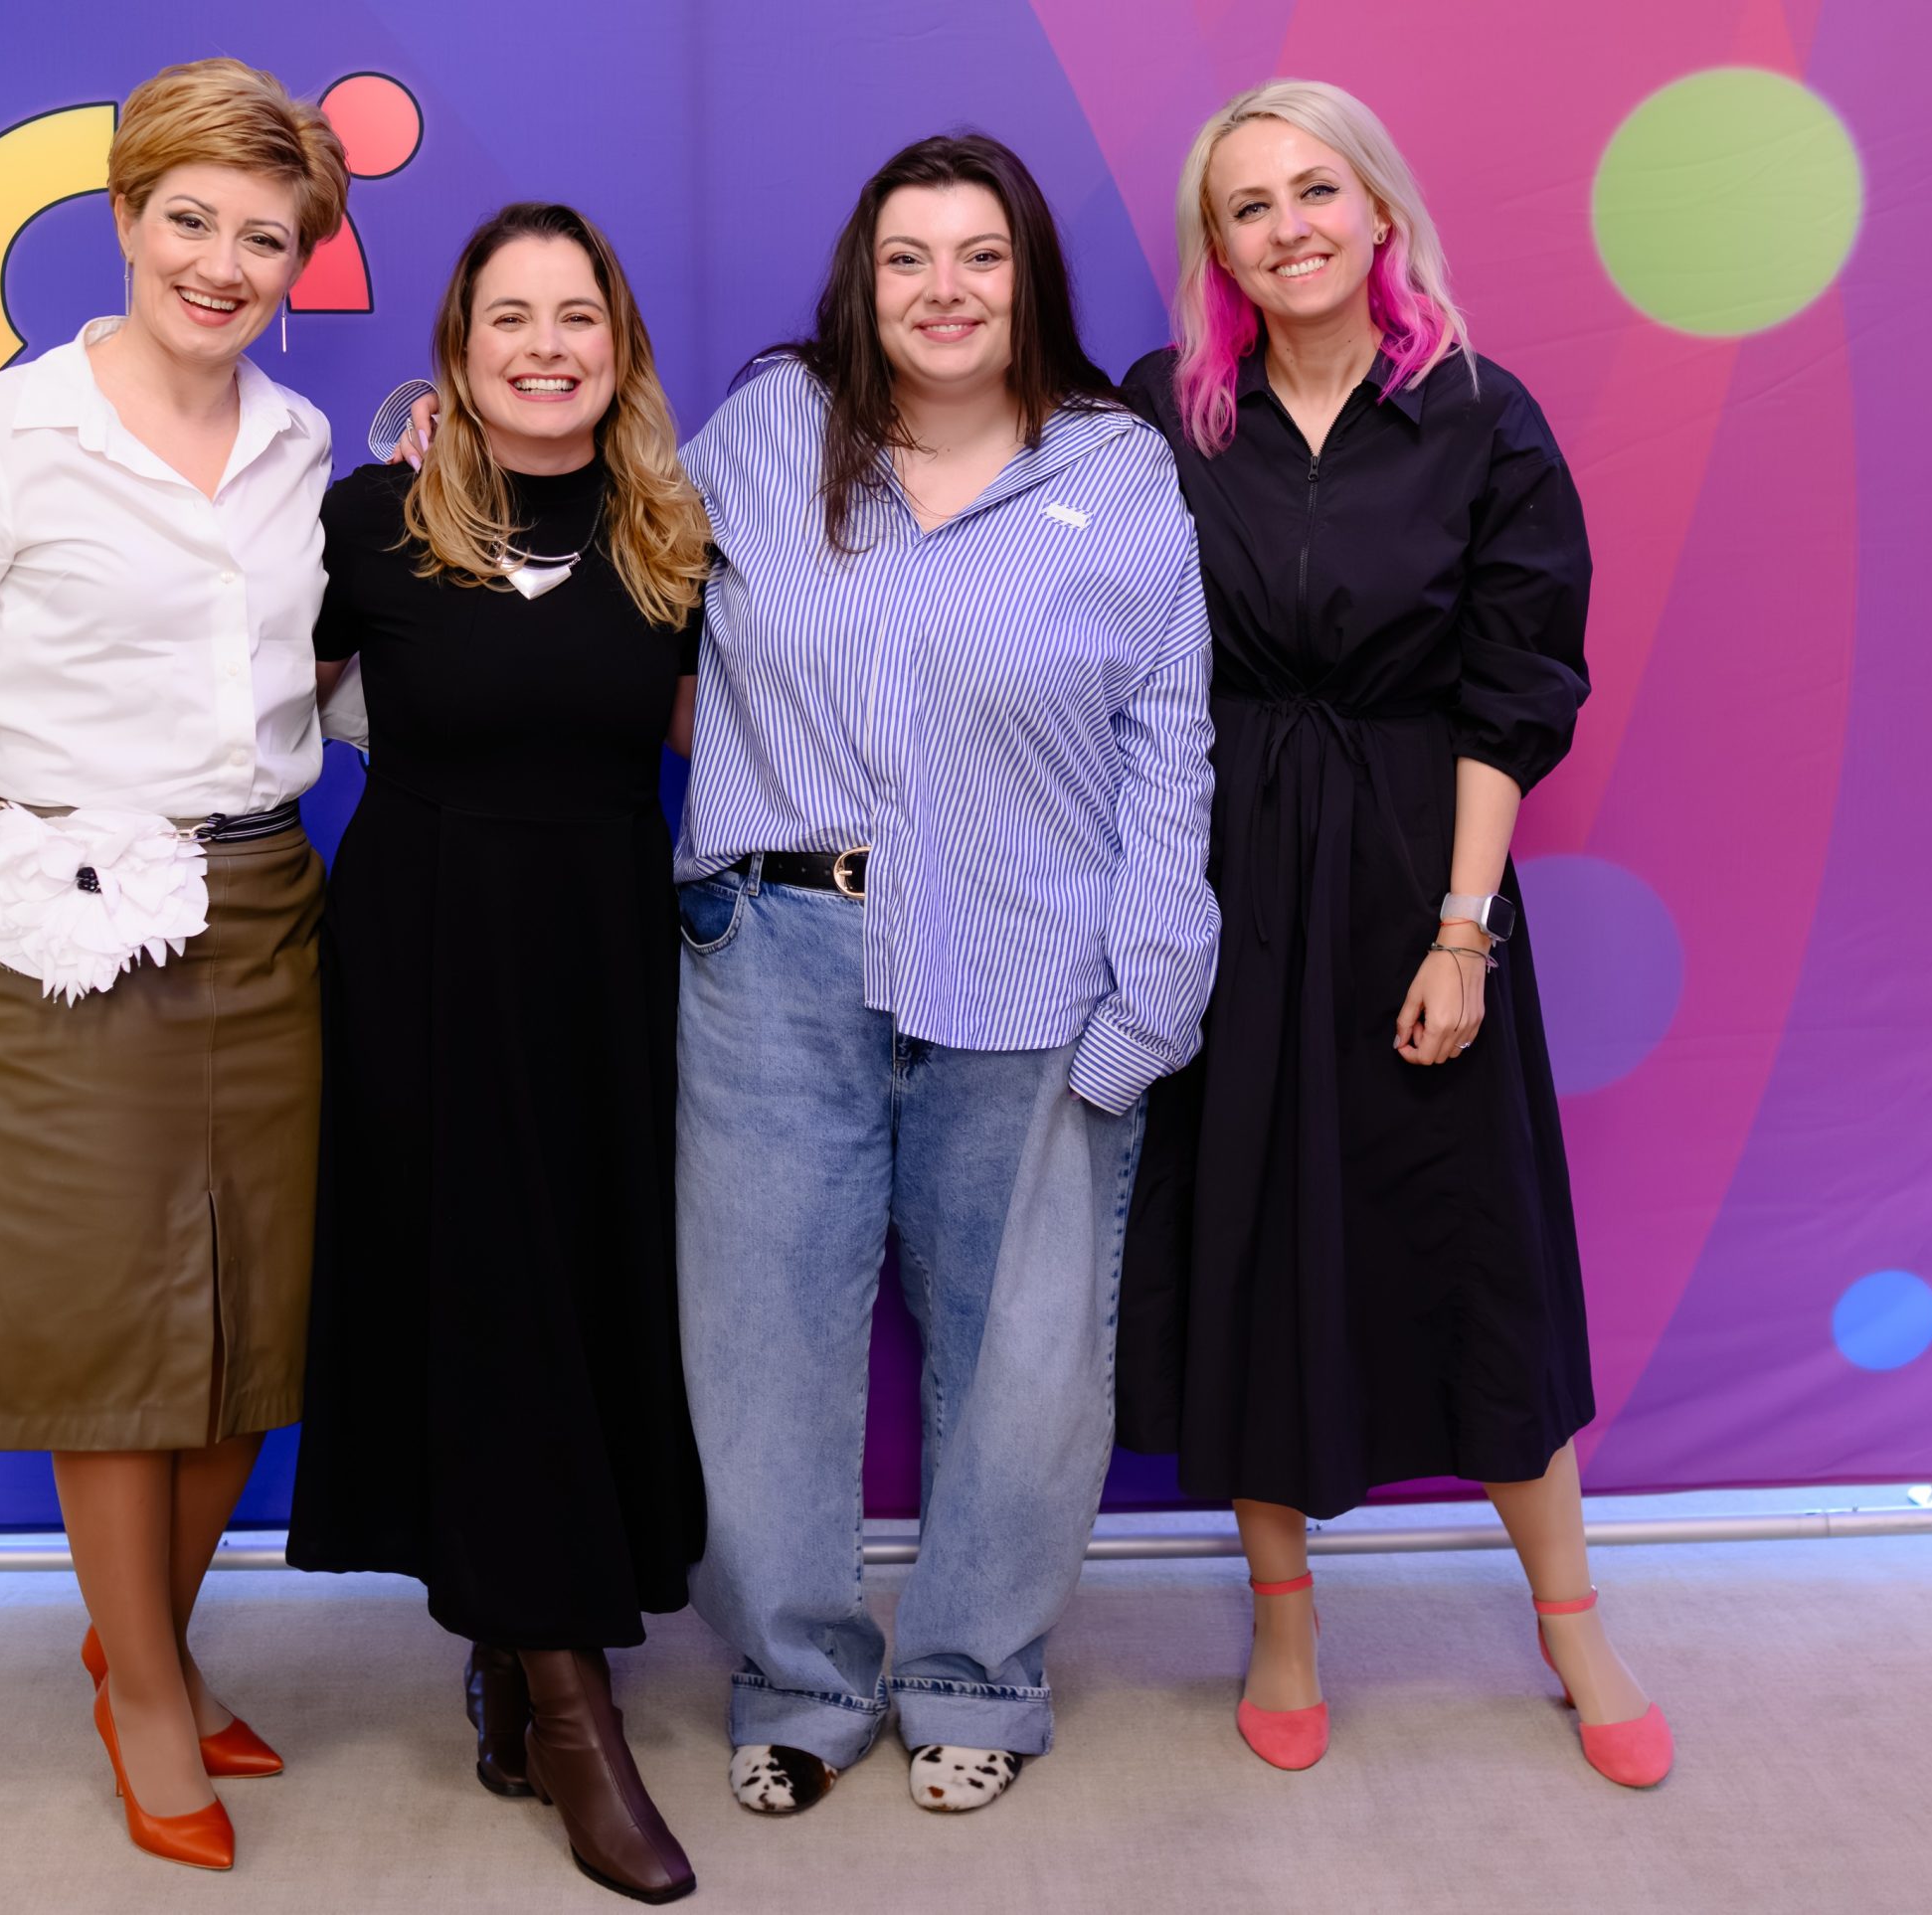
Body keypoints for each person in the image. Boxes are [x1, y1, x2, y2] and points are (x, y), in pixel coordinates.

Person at [1113, 79, 1671, 1789]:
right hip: (1225, 885)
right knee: (1256, 1247)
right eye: (1248, 206)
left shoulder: (1481, 417)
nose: (1287, 227)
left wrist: (1462, 929)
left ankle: (1573, 1621)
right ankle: (1284, 1621)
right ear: (1217, 250)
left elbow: (1519, 683)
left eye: (1314, 191)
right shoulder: (1162, 416)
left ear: (1379, 211)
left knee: (1479, 1253)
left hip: (1422, 881)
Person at [673, 134, 1217, 1815]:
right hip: (776, 953)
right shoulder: (770, 428)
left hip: (1034, 959)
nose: (944, 290)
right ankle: (797, 1675)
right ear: (865, 279)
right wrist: (437, 449)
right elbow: (616, 560)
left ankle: (978, 1669)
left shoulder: (1117, 467)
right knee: (760, 1339)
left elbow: (1170, 740)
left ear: (1027, 275)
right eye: (908, 258)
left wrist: (1154, 989)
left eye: (980, 255)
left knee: (1025, 1345)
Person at [0, 59, 348, 1870]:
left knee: (245, 1329)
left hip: (265, 903)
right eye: (190, 220)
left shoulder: (307, 445)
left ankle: (138, 1636)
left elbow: (314, 687)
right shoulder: (1, 431)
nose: (222, 264)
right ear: (126, 218)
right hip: (64, 921)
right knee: (108, 1334)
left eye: (264, 237)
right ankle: (147, 1690)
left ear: (301, 261)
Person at [283, 202, 707, 1905]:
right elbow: (251, 708)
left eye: (576, 315)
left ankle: (514, 1652)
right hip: (423, 957)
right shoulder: (368, 521)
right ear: (457, 353)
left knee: (580, 1295)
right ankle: (574, 1707)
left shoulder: (674, 534)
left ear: (621, 345)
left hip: (603, 957)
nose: (546, 345)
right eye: (508, 316)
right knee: (483, 1291)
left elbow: (733, 735)